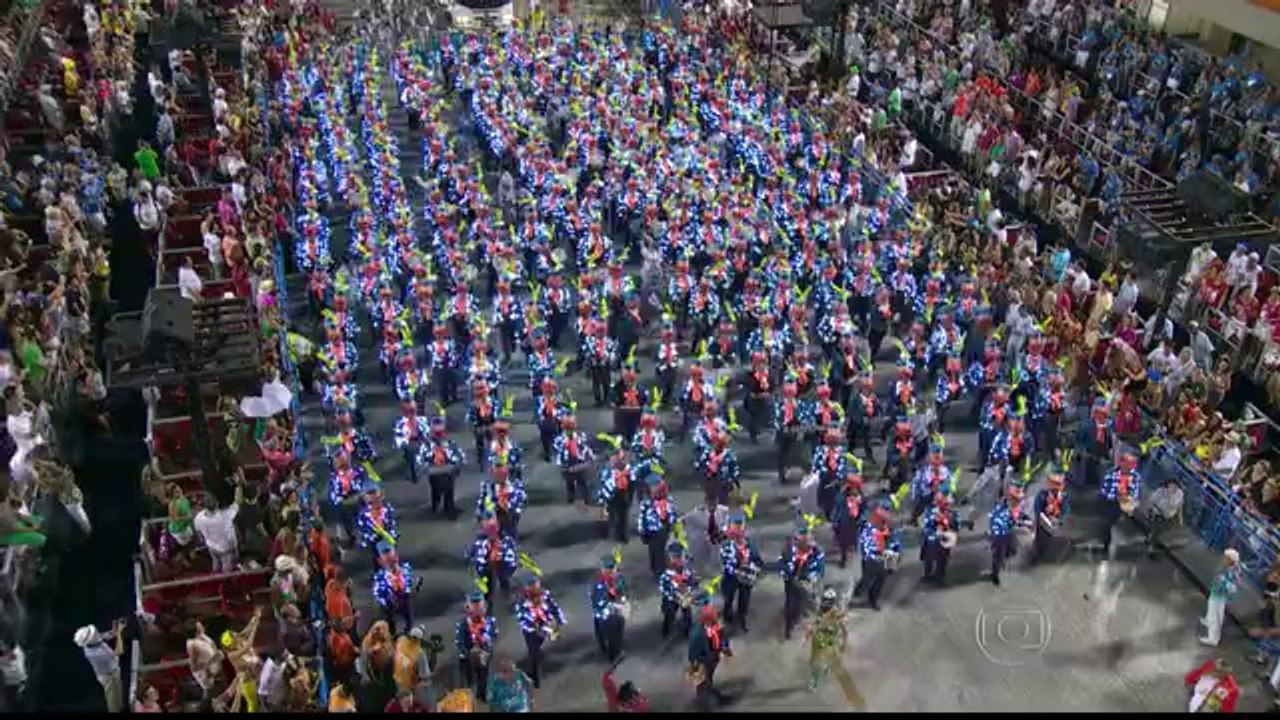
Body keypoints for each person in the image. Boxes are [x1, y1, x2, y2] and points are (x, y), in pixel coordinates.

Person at [74, 620, 125, 713]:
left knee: (119, 692)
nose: (97, 633)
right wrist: (119, 634)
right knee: (112, 699)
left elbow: (106, 635)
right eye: (94, 634)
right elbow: (119, 651)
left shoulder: (93, 642)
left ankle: (122, 707)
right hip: (107, 676)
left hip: (113, 670)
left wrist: (114, 630)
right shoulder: (95, 653)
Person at [1201, 549, 1243, 647]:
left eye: (1226, 557)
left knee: (1216, 617)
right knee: (1212, 613)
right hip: (1216, 592)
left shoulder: (1233, 571)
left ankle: (1213, 639)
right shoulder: (1229, 567)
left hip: (1220, 596)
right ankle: (1208, 621)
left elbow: (1234, 587)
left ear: (1231, 560)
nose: (1224, 559)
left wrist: (1223, 582)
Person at [193, 492, 239, 572]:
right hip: (225, 547)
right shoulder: (224, 516)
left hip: (210, 544)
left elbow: (198, 531)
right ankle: (225, 580)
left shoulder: (198, 517)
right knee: (226, 566)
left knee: (215, 561)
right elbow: (236, 506)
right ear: (217, 504)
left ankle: (215, 574)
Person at [1144, 478, 1184, 558]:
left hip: (1169, 515)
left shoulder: (1179, 493)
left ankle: (1149, 539)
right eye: (1171, 486)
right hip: (1158, 514)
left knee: (1162, 530)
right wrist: (1149, 510)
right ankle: (1151, 548)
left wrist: (1180, 518)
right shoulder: (1160, 492)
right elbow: (1152, 501)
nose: (1173, 488)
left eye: (1175, 486)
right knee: (1156, 530)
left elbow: (1179, 506)